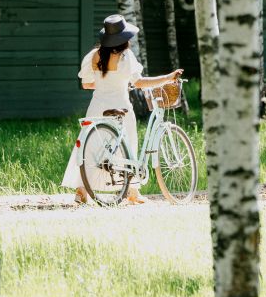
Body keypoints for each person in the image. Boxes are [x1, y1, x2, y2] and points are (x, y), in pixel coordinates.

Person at [62, 14, 182, 204]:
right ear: (124, 39)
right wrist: (168, 78)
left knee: (90, 149)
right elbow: (140, 82)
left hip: (97, 107)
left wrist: (106, 84)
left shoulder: (94, 55)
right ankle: (132, 191)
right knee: (128, 145)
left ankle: (81, 191)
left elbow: (86, 84)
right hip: (120, 106)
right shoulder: (125, 57)